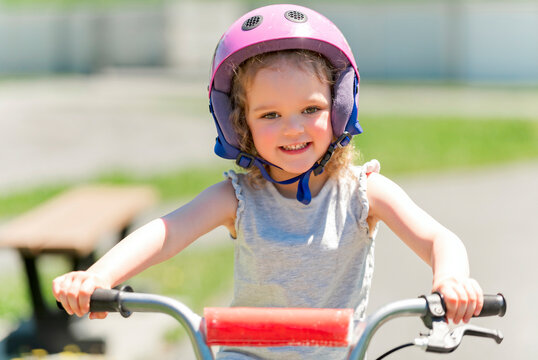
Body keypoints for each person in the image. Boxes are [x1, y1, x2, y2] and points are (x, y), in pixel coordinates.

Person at [53, 4, 483, 359]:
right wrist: (98, 275)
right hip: (247, 354)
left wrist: (450, 281)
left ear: (338, 109)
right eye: (270, 115)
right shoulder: (239, 197)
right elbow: (166, 233)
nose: (293, 129)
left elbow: (437, 239)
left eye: (310, 109)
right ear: (241, 126)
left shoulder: (362, 192)